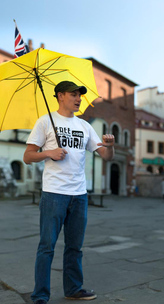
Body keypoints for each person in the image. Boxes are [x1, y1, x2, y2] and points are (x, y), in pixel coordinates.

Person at [23, 81, 115, 304]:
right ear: (60, 96)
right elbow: (27, 156)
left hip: (79, 195)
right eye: (73, 94)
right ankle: (40, 296)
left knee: (75, 247)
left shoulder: (84, 126)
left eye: (80, 95)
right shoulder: (45, 121)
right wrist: (49, 153)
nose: (78, 99)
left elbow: (105, 156)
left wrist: (110, 145)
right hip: (54, 194)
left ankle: (73, 288)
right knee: (47, 247)